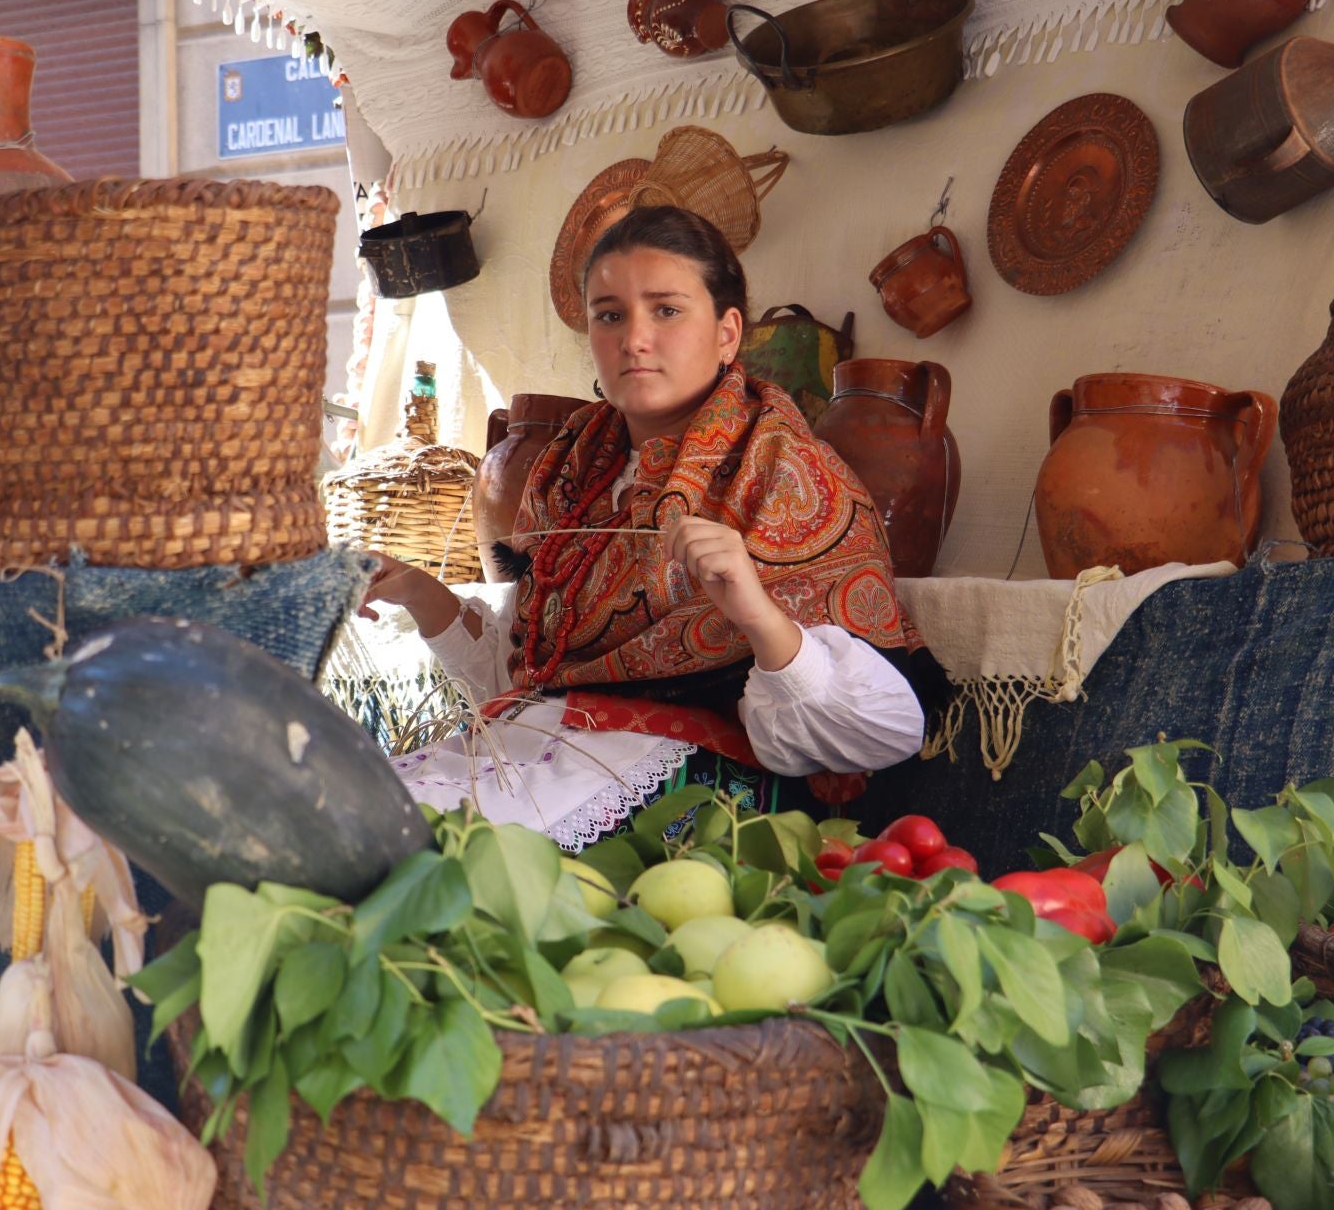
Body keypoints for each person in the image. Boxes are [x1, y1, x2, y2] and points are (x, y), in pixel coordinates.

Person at [359, 205, 929, 849]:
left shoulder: (787, 477)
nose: (633, 338)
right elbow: (528, 674)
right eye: (609, 314)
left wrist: (754, 609)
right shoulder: (566, 473)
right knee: (364, 826)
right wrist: (416, 591)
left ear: (727, 332)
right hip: (542, 752)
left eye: (667, 310)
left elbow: (886, 731)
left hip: (699, 793)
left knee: (456, 857)